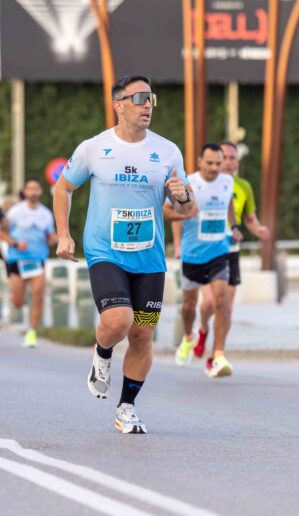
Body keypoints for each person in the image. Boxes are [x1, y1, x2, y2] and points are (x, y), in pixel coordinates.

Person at [53, 74, 193, 434]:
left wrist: (182, 195)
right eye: (140, 98)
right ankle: (102, 353)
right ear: (118, 105)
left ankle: (126, 407)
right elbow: (63, 188)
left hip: (149, 259)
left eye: (151, 99)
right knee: (119, 320)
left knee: (143, 335)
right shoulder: (94, 148)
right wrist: (64, 234)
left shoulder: (168, 151)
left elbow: (187, 206)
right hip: (106, 252)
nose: (148, 105)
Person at [164, 143, 243, 378]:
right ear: (200, 162)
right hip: (192, 255)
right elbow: (165, 212)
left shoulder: (228, 181)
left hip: (219, 252)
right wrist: (185, 213)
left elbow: (228, 205)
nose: (215, 168)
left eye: (218, 163)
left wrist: (234, 226)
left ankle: (218, 354)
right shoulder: (189, 183)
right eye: (209, 163)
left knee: (221, 301)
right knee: (189, 306)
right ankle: (188, 337)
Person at [192, 141, 270, 359]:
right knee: (209, 303)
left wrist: (258, 229)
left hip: (230, 250)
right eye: (223, 158)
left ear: (237, 162)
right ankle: (203, 329)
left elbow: (250, 219)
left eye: (231, 158)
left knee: (226, 307)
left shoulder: (243, 187)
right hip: (206, 249)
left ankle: (217, 354)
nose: (227, 162)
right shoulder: (200, 183)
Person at [1, 178, 57, 347]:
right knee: (18, 301)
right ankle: (20, 305)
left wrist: (54, 239)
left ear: (40, 192)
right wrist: (15, 244)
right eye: (30, 189)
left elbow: (50, 235)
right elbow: (2, 233)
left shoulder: (46, 214)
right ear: (25, 192)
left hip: (37, 260)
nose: (33, 192)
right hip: (17, 259)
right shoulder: (15, 212)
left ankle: (32, 333)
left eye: (36, 189)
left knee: (38, 295)